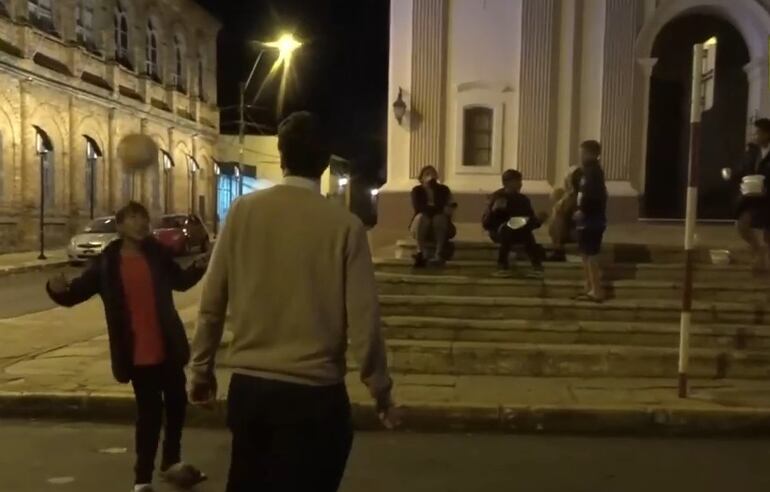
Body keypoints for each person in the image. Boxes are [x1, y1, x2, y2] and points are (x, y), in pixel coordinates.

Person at [189, 111, 399, 492]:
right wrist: (380, 389)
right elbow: (365, 320)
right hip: (315, 397)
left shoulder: (241, 213)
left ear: (282, 157)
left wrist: (201, 370)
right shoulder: (345, 228)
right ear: (324, 162)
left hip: (251, 390)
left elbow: (212, 302)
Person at [45, 201, 208, 492]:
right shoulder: (108, 263)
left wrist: (199, 266)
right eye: (133, 218)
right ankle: (142, 478)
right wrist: (56, 289)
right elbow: (75, 294)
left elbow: (180, 282)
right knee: (149, 414)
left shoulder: (157, 254)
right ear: (120, 226)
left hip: (167, 344)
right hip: (136, 349)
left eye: (144, 217)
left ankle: (171, 462)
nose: (141, 223)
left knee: (176, 404)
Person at [482, 169, 546, 277]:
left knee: (525, 231)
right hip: (500, 230)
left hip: (520, 230)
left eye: (520, 181)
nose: (520, 184)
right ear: (507, 183)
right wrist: (494, 210)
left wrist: (538, 221)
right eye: (517, 181)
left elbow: (529, 221)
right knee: (509, 228)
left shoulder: (523, 199)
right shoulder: (498, 197)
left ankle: (537, 266)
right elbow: (487, 223)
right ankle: (502, 265)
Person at [573, 140, 608, 302]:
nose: (580, 156)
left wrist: (583, 210)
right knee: (585, 254)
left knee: (591, 254)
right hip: (586, 219)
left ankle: (596, 289)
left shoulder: (594, 172)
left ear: (591, 153)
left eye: (583, 152)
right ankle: (589, 287)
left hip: (592, 220)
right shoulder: (586, 172)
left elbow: (594, 196)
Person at [733, 118, 770, 271]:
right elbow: (743, 168)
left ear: (767, 134)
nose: (755, 136)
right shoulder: (752, 151)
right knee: (742, 224)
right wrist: (734, 175)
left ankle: (762, 264)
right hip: (752, 197)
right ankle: (758, 252)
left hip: (768, 197)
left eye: (758, 133)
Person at [410, 165, 456, 267]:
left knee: (439, 218)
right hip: (422, 224)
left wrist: (435, 209)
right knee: (422, 217)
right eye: (427, 174)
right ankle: (420, 252)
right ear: (421, 178)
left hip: (440, 223)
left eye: (433, 173)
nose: (430, 176)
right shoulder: (417, 190)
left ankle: (438, 254)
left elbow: (445, 206)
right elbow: (419, 207)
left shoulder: (443, 190)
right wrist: (436, 208)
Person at [547, 164, 583, 262]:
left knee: (559, 216)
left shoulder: (578, 197)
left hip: (579, 231)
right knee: (558, 216)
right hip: (570, 230)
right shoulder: (568, 196)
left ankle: (558, 249)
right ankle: (558, 247)